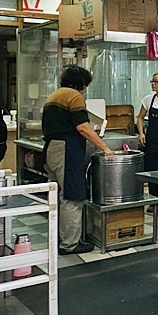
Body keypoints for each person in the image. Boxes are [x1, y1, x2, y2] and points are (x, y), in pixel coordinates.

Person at [42, 66, 114, 255]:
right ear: (81, 84)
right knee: (72, 196)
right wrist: (104, 147)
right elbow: (83, 127)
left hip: (52, 148)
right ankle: (71, 244)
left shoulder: (55, 95)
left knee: (58, 195)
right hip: (66, 148)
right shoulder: (74, 96)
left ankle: (59, 238)